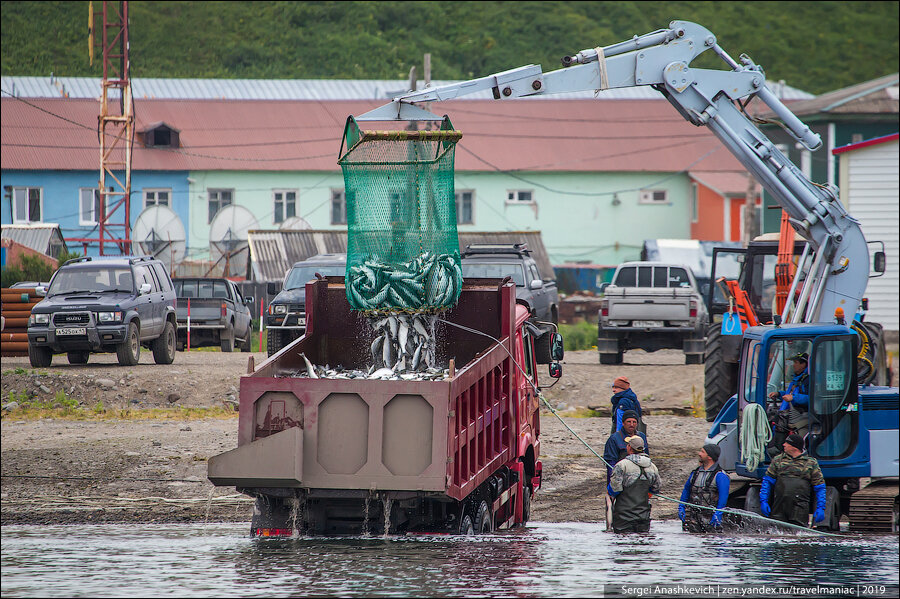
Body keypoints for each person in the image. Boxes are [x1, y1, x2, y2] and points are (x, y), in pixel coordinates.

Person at [760, 433, 827, 528]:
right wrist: (764, 501)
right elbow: (767, 482)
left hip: (799, 509)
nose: (784, 445)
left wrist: (821, 507)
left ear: (794, 447)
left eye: (787, 443)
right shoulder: (778, 460)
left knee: (798, 535)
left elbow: (819, 487)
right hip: (779, 508)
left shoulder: (811, 463)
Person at [608, 435, 660, 533]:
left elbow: (614, 490)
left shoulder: (621, 465)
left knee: (623, 543)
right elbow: (656, 489)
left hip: (623, 518)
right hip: (643, 517)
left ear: (629, 448)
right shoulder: (653, 467)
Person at [679, 443, 731, 532]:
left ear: (709, 457)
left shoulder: (720, 476)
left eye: (702, 452)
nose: (699, 454)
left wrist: (718, 513)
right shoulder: (695, 473)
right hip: (693, 518)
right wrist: (681, 506)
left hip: (711, 519)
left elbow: (724, 496)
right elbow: (687, 489)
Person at [767, 352, 810, 440]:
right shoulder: (797, 379)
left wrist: (794, 398)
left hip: (801, 418)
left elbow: (812, 399)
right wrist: (779, 394)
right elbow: (790, 393)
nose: (793, 365)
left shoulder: (808, 380)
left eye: (796, 363)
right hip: (789, 417)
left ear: (803, 364)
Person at [603, 410, 649, 482]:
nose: (631, 424)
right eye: (629, 422)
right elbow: (610, 463)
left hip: (640, 479)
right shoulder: (614, 438)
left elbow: (647, 456)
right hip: (622, 476)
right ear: (623, 423)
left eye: (634, 422)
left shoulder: (642, 436)